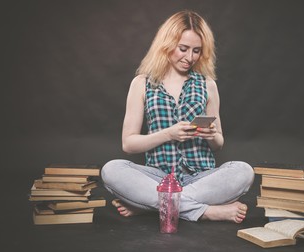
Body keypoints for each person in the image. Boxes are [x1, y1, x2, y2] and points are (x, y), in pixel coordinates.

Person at [101, 10, 254, 223]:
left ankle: (151, 205)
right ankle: (205, 211)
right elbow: (128, 144)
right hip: (158, 178)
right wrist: (169, 134)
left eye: (197, 51)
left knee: (243, 171)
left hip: (200, 178)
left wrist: (210, 135)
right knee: (112, 170)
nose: (189, 58)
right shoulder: (142, 83)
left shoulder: (208, 85)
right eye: (183, 49)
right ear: (167, 44)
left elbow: (218, 144)